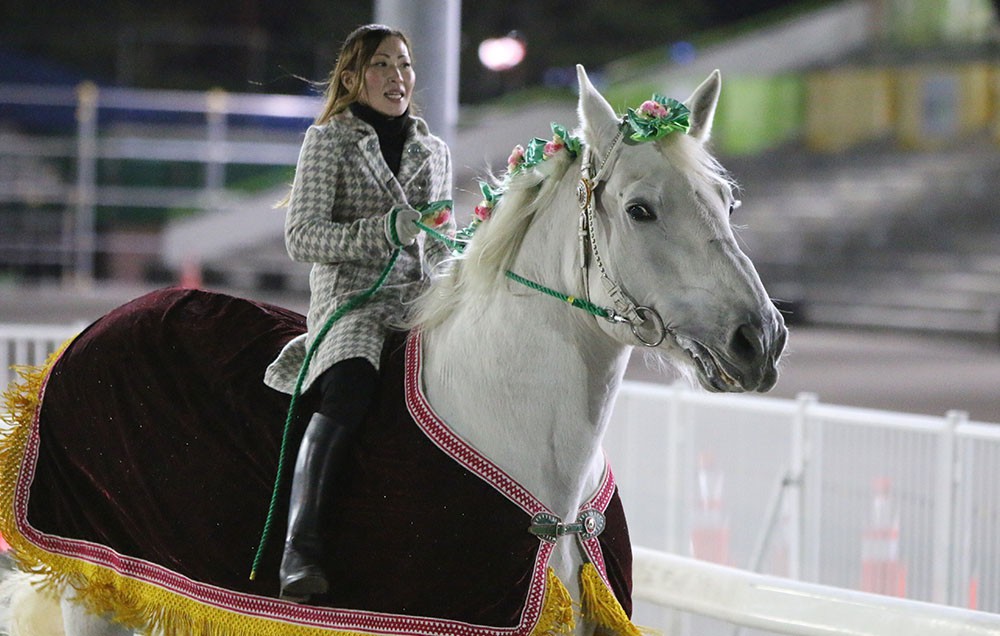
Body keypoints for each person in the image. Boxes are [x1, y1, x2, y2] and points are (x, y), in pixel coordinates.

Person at [263, 23, 454, 602]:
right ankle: (302, 545)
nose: (397, 77)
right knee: (351, 384)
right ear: (352, 78)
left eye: (404, 64)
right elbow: (302, 237)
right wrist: (383, 232)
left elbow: (439, 246)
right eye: (381, 66)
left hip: (418, 297)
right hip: (352, 299)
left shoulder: (435, 150)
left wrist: (461, 259)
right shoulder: (327, 141)